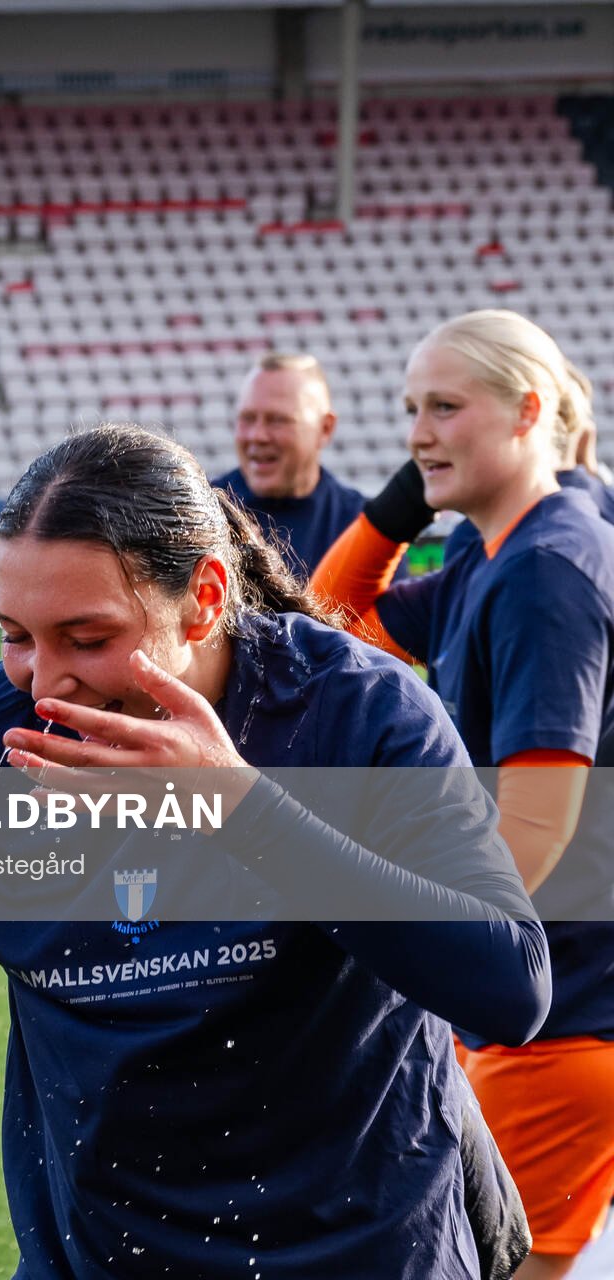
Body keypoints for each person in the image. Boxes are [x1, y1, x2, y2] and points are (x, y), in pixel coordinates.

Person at [0, 424, 550, 1278]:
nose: (45, 678)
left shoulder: (351, 715)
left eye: (87, 638)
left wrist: (240, 809)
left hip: (359, 1251)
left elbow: (507, 989)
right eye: (15, 634)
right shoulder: (0, 733)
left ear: (204, 599)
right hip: (104, 1258)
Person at [312, 310, 614, 1279]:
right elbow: (336, 618)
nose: (418, 429)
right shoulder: (498, 553)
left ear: (527, 411)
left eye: (445, 406)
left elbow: (532, 832)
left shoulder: (542, 570)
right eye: (409, 410)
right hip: (560, 1001)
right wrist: (412, 499)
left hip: (561, 1011)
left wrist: (428, 957)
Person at [213, 352, 364, 579]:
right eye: (247, 418)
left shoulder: (360, 526)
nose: (258, 435)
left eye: (277, 420)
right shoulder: (202, 511)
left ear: (325, 428)